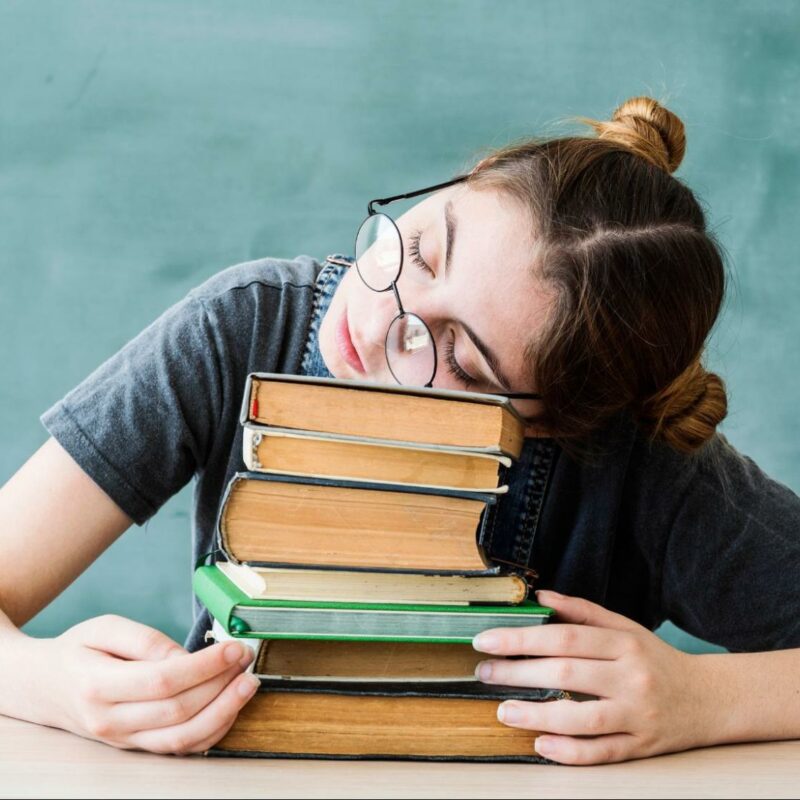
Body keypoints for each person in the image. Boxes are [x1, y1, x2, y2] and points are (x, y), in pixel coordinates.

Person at [0, 96, 798, 764]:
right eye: (421, 250)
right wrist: (49, 683)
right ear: (462, 182)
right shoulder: (243, 329)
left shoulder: (644, 466)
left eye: (457, 355)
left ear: (551, 421)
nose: (381, 317)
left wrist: (704, 697)